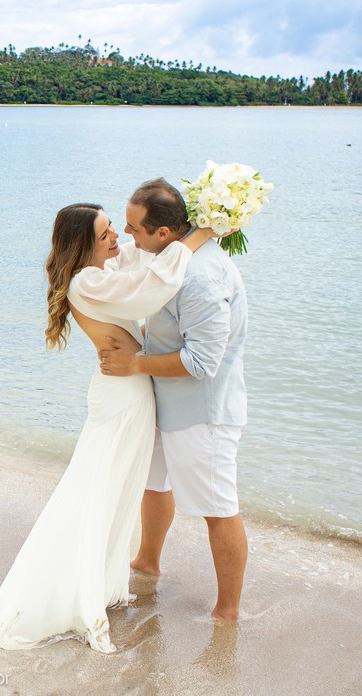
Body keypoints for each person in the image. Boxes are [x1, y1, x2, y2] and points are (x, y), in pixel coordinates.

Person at [0, 203, 214, 652]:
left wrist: (181, 230)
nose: (116, 237)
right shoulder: (88, 282)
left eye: (113, 228)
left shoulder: (103, 270)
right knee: (98, 489)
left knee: (117, 489)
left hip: (127, 391)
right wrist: (202, 234)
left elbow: (143, 260)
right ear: (84, 246)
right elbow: (150, 289)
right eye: (105, 234)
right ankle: (71, 588)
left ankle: (97, 580)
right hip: (122, 397)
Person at [99, 178, 249, 621]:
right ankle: (147, 560)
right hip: (165, 401)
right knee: (153, 482)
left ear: (163, 232)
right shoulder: (172, 256)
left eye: (134, 228)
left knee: (218, 509)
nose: (128, 235)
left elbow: (202, 362)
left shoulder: (200, 278)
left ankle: (227, 610)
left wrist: (134, 364)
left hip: (202, 413)